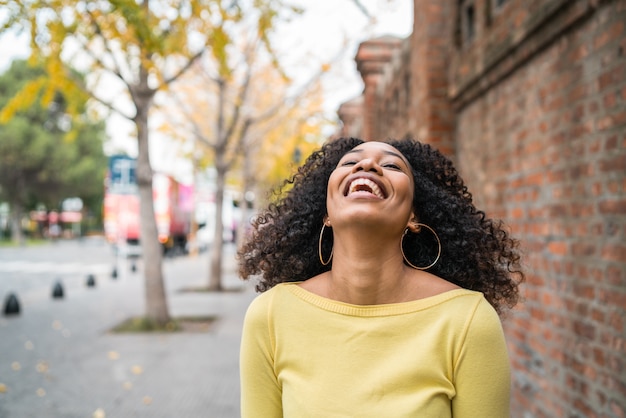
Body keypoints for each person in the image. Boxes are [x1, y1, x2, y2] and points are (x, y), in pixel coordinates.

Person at [238, 137, 524, 417]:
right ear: (325, 213)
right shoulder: (271, 315)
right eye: (350, 161)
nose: (368, 164)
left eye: (393, 166)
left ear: (413, 216)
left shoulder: (468, 320)